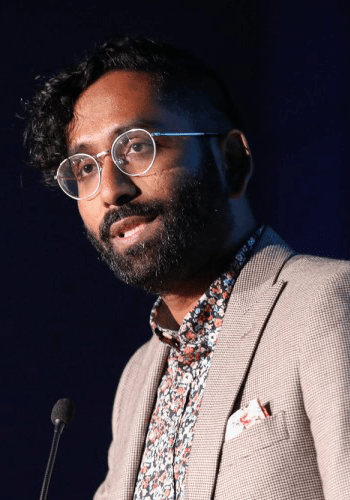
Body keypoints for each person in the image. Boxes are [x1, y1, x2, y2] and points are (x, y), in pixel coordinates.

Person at [25, 36, 350, 500]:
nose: (110, 190)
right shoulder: (138, 377)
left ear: (232, 163)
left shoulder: (330, 305)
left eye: (136, 147)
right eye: (84, 168)